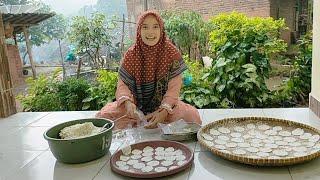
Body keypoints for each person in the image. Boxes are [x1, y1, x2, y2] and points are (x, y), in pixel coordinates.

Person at [96, 11, 201, 129]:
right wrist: (128, 103)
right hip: (136, 108)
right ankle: (142, 120)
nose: (150, 32)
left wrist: (164, 111)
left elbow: (174, 87)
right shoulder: (131, 54)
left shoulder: (171, 52)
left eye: (155, 27)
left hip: (164, 106)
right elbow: (122, 85)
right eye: (145, 27)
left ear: (161, 30)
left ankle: (153, 120)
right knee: (104, 116)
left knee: (192, 117)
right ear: (139, 31)